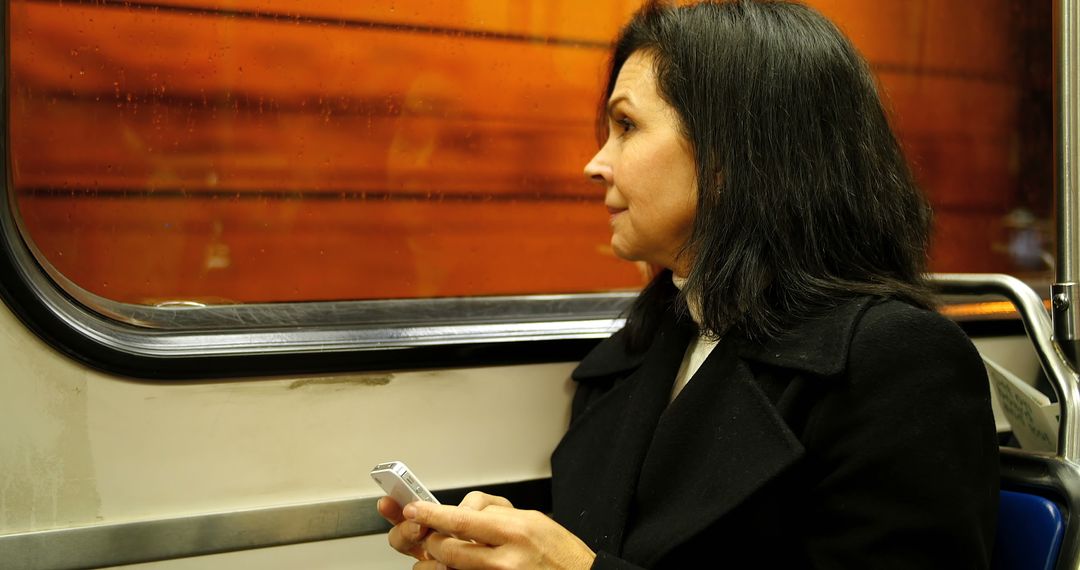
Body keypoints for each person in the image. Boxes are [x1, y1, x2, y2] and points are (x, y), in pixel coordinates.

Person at [378, 0, 1000, 568]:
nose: (594, 165)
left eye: (626, 127)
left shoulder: (895, 365)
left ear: (734, 153)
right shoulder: (640, 350)